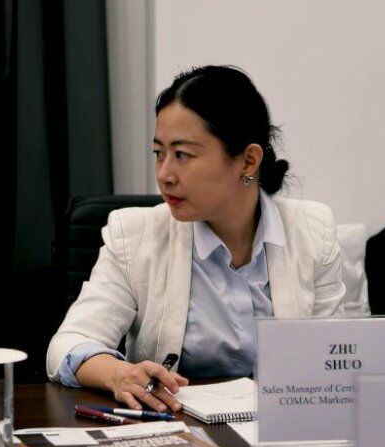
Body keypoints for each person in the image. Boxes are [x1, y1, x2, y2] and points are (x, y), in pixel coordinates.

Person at [46, 66, 346, 411]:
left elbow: (336, 360)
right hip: (175, 429)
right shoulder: (134, 235)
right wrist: (118, 374)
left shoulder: (313, 232)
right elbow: (68, 345)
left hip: (280, 427)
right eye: (159, 153)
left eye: (182, 155)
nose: (164, 175)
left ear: (248, 161)